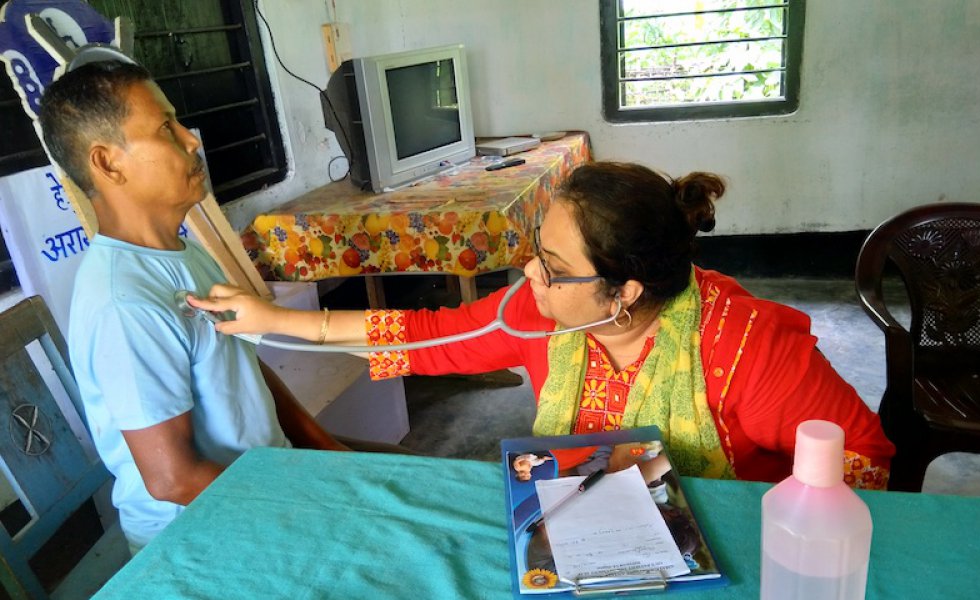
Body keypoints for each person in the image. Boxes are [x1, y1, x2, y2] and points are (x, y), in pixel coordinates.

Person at [189, 161, 895, 490]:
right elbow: (422, 337)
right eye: (536, 253)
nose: (529, 277)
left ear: (625, 292)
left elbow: (863, 457)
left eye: (553, 267)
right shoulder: (538, 318)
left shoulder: (750, 348)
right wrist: (273, 319)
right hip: (590, 532)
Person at [38, 58, 357, 552]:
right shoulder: (124, 302)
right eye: (166, 128)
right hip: (200, 530)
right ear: (107, 163)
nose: (191, 140)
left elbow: (241, 364)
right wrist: (309, 501)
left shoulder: (181, 252)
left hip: (266, 482)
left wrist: (323, 445)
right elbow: (173, 480)